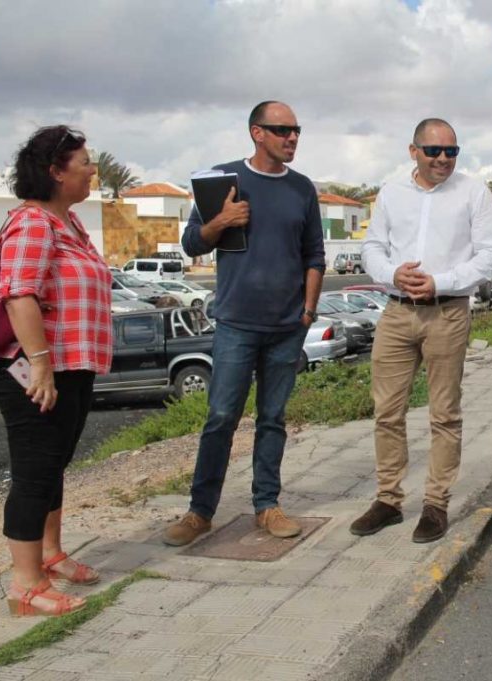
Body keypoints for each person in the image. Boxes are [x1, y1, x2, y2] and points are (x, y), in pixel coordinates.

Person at [163, 101, 325, 546]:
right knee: (220, 417)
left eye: (296, 130)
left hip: (287, 326)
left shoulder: (302, 189)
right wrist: (222, 221)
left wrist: (307, 311)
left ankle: (267, 506)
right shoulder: (223, 180)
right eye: (282, 130)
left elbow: (315, 255)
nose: (292, 137)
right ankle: (200, 513)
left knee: (272, 418)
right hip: (236, 324)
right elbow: (191, 242)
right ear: (257, 132)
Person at [351, 118, 492, 543]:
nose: (442, 159)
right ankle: (388, 500)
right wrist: (391, 274)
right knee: (386, 411)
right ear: (413, 151)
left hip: (447, 313)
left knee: (444, 414)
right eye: (434, 151)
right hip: (397, 312)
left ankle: (435, 504)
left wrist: (442, 281)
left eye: (451, 152)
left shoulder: (474, 193)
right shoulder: (392, 193)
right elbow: (372, 248)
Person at [0, 125, 112, 616]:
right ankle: (24, 584)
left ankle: (50, 554)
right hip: (32, 368)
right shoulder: (34, 224)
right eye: (85, 164)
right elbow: (18, 294)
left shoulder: (71, 224)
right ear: (56, 172)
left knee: (54, 464)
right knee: (34, 471)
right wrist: (40, 367)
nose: (92, 171)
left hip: (71, 366)